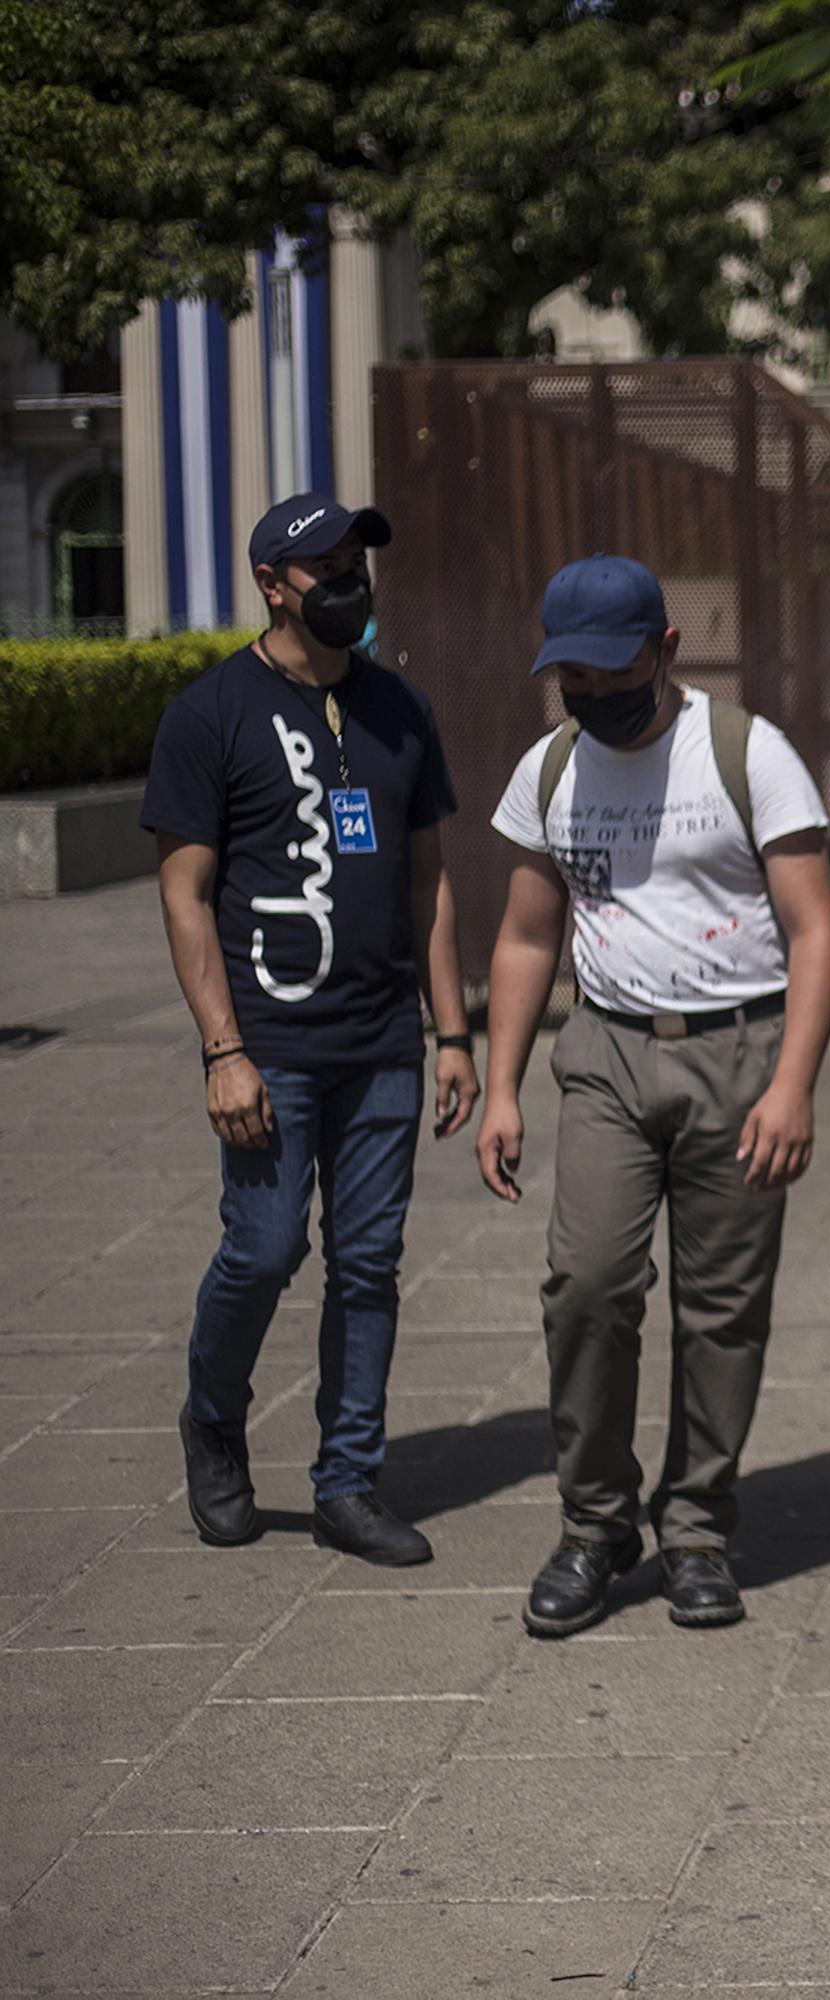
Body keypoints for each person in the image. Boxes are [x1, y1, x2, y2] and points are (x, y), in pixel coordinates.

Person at [474, 555, 830, 1638]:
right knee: (585, 1284)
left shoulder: (747, 754)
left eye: (611, 669)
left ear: (666, 649)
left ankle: (695, 1526)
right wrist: (501, 1085)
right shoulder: (551, 770)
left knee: (723, 1307)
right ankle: (596, 1525)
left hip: (741, 1052)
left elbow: (817, 928)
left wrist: (793, 1084)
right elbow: (527, 934)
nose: (593, 695)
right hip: (607, 1051)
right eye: (571, 679)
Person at [142, 492, 477, 1567]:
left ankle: (348, 1480)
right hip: (269, 1048)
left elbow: (430, 880)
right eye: (323, 566)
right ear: (272, 585)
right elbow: (185, 892)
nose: (348, 581)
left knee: (369, 1263)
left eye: (357, 561)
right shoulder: (213, 714)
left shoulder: (399, 710)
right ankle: (212, 1418)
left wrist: (454, 1031)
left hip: (382, 1042)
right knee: (265, 1246)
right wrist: (221, 1048)